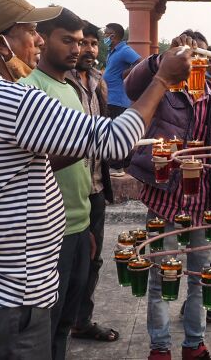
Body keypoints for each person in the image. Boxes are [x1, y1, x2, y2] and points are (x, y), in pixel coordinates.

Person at [0, 0, 190, 359]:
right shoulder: (13, 100)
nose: (38, 39)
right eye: (29, 32)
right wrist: (162, 80)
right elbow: (117, 142)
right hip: (14, 298)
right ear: (0, 43)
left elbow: (21, 173)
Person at [123, 30, 211, 360]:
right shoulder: (164, 91)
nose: (195, 60)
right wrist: (159, 61)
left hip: (203, 203)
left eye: (201, 54)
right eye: (187, 54)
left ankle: (194, 344)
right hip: (165, 199)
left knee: (199, 279)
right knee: (160, 280)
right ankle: (160, 348)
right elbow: (131, 87)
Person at [17, 8, 100, 360]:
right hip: (47, 231)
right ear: (42, 39)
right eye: (66, 40)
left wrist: (87, 224)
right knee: (43, 328)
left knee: (64, 323)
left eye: (79, 42)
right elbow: (27, 165)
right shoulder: (29, 89)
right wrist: (85, 144)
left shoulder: (72, 89)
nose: (76, 49)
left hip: (78, 224)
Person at [67, 21, 120, 344]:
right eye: (81, 43)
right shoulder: (61, 82)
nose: (87, 50)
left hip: (96, 184)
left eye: (92, 44)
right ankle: (63, 317)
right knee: (69, 256)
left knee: (94, 256)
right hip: (69, 187)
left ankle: (81, 319)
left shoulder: (98, 81)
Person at [103, 22, 141, 118]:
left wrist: (126, 73)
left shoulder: (124, 50)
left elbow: (141, 62)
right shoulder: (111, 51)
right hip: (109, 99)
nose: (104, 36)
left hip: (117, 101)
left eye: (105, 33)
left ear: (112, 36)